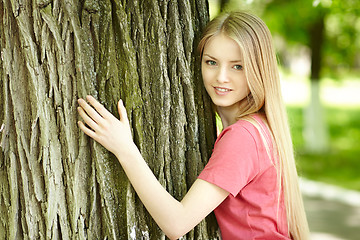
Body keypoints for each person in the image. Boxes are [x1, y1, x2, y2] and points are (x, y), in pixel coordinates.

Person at [77, 11, 309, 240]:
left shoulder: (244, 137)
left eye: (237, 66)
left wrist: (124, 148)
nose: (221, 77)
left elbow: (177, 223)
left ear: (258, 70)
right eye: (211, 62)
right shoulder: (259, 128)